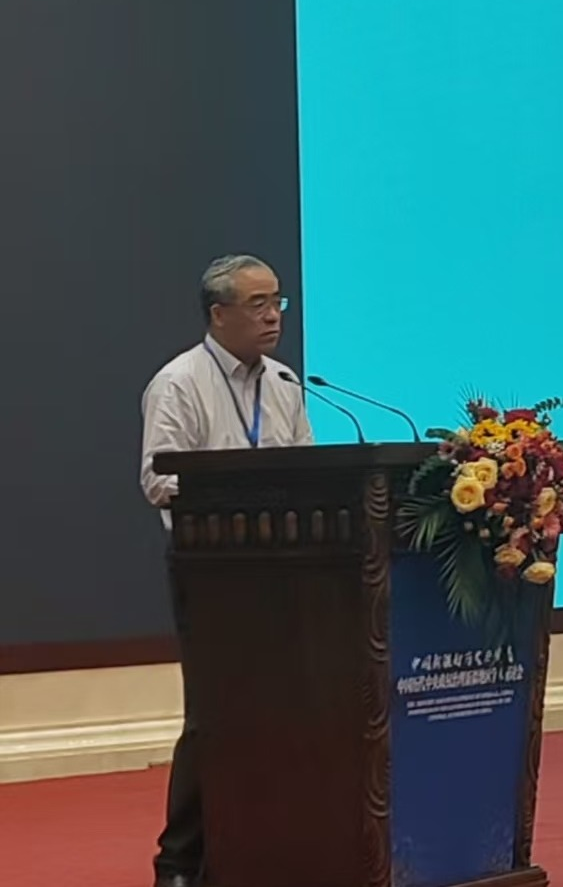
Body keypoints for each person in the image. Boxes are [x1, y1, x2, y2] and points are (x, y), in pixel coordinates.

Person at [139, 254, 315, 887]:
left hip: (285, 571)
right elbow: (158, 480)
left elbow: (308, 469)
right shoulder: (180, 383)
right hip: (211, 574)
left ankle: (262, 847)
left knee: (282, 714)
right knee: (213, 716)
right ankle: (179, 862)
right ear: (218, 314)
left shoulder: (286, 382)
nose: (273, 316)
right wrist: (239, 493)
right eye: (257, 304)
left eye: (277, 301)